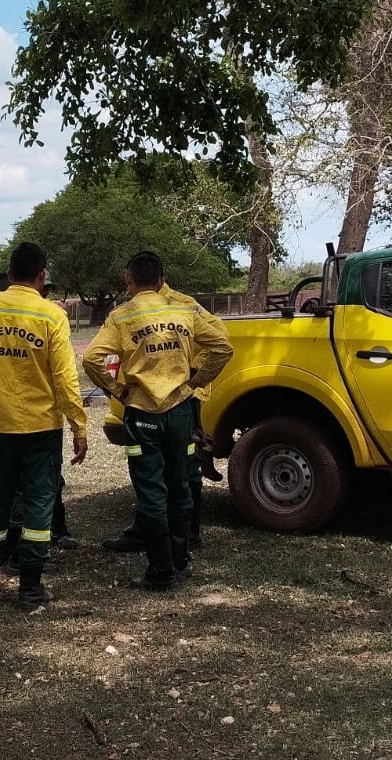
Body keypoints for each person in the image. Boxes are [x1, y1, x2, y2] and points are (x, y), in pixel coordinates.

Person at [83, 251, 233, 591]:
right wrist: (195, 380)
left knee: (151, 490)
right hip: (181, 410)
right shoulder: (185, 310)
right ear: (162, 280)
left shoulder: (122, 316)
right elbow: (223, 346)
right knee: (180, 483)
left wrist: (117, 390)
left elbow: (93, 358)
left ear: (128, 280)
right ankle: (179, 562)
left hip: (143, 413)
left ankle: (160, 571)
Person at [0, 242, 88, 609]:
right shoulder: (51, 315)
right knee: (37, 506)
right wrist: (78, 425)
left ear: (10, 270)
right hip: (41, 430)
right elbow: (65, 377)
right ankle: (30, 588)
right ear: (41, 274)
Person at [102, 267, 226, 553]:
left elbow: (219, 338)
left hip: (181, 399)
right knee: (150, 470)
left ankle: (187, 535)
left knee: (184, 469)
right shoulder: (136, 308)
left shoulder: (183, 304)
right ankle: (145, 533)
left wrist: (196, 375)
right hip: (149, 400)